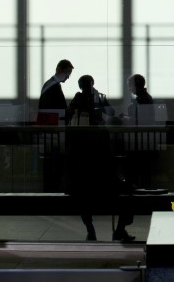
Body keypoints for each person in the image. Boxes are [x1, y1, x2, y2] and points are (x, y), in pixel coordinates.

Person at [65, 89, 135, 243]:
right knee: (129, 193)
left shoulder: (74, 134)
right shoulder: (101, 133)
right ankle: (119, 230)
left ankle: (91, 231)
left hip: (82, 185)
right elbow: (107, 162)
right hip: (102, 183)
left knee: (82, 195)